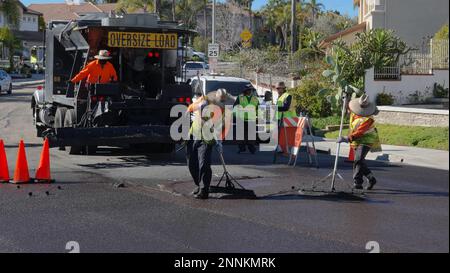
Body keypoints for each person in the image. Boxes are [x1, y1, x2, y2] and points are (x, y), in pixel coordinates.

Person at [186, 89, 233, 199]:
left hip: (208, 138)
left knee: (204, 164)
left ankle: (204, 189)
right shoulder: (205, 99)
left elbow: (225, 127)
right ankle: (199, 184)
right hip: (194, 134)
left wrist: (220, 141)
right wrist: (200, 106)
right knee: (191, 163)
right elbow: (191, 107)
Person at [337, 94, 380, 190]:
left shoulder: (369, 119)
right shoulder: (355, 112)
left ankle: (358, 182)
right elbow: (347, 109)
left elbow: (360, 131)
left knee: (358, 159)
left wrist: (347, 138)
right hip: (356, 141)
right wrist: (344, 100)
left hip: (367, 139)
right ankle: (371, 178)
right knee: (360, 162)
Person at [233, 84, 258, 154]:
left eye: (251, 90)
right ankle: (242, 148)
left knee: (251, 136)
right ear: (246, 90)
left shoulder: (255, 98)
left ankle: (252, 148)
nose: (250, 91)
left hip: (251, 120)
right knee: (241, 136)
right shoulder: (240, 97)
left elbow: (258, 109)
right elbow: (235, 107)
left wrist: (258, 117)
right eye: (249, 90)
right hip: (241, 119)